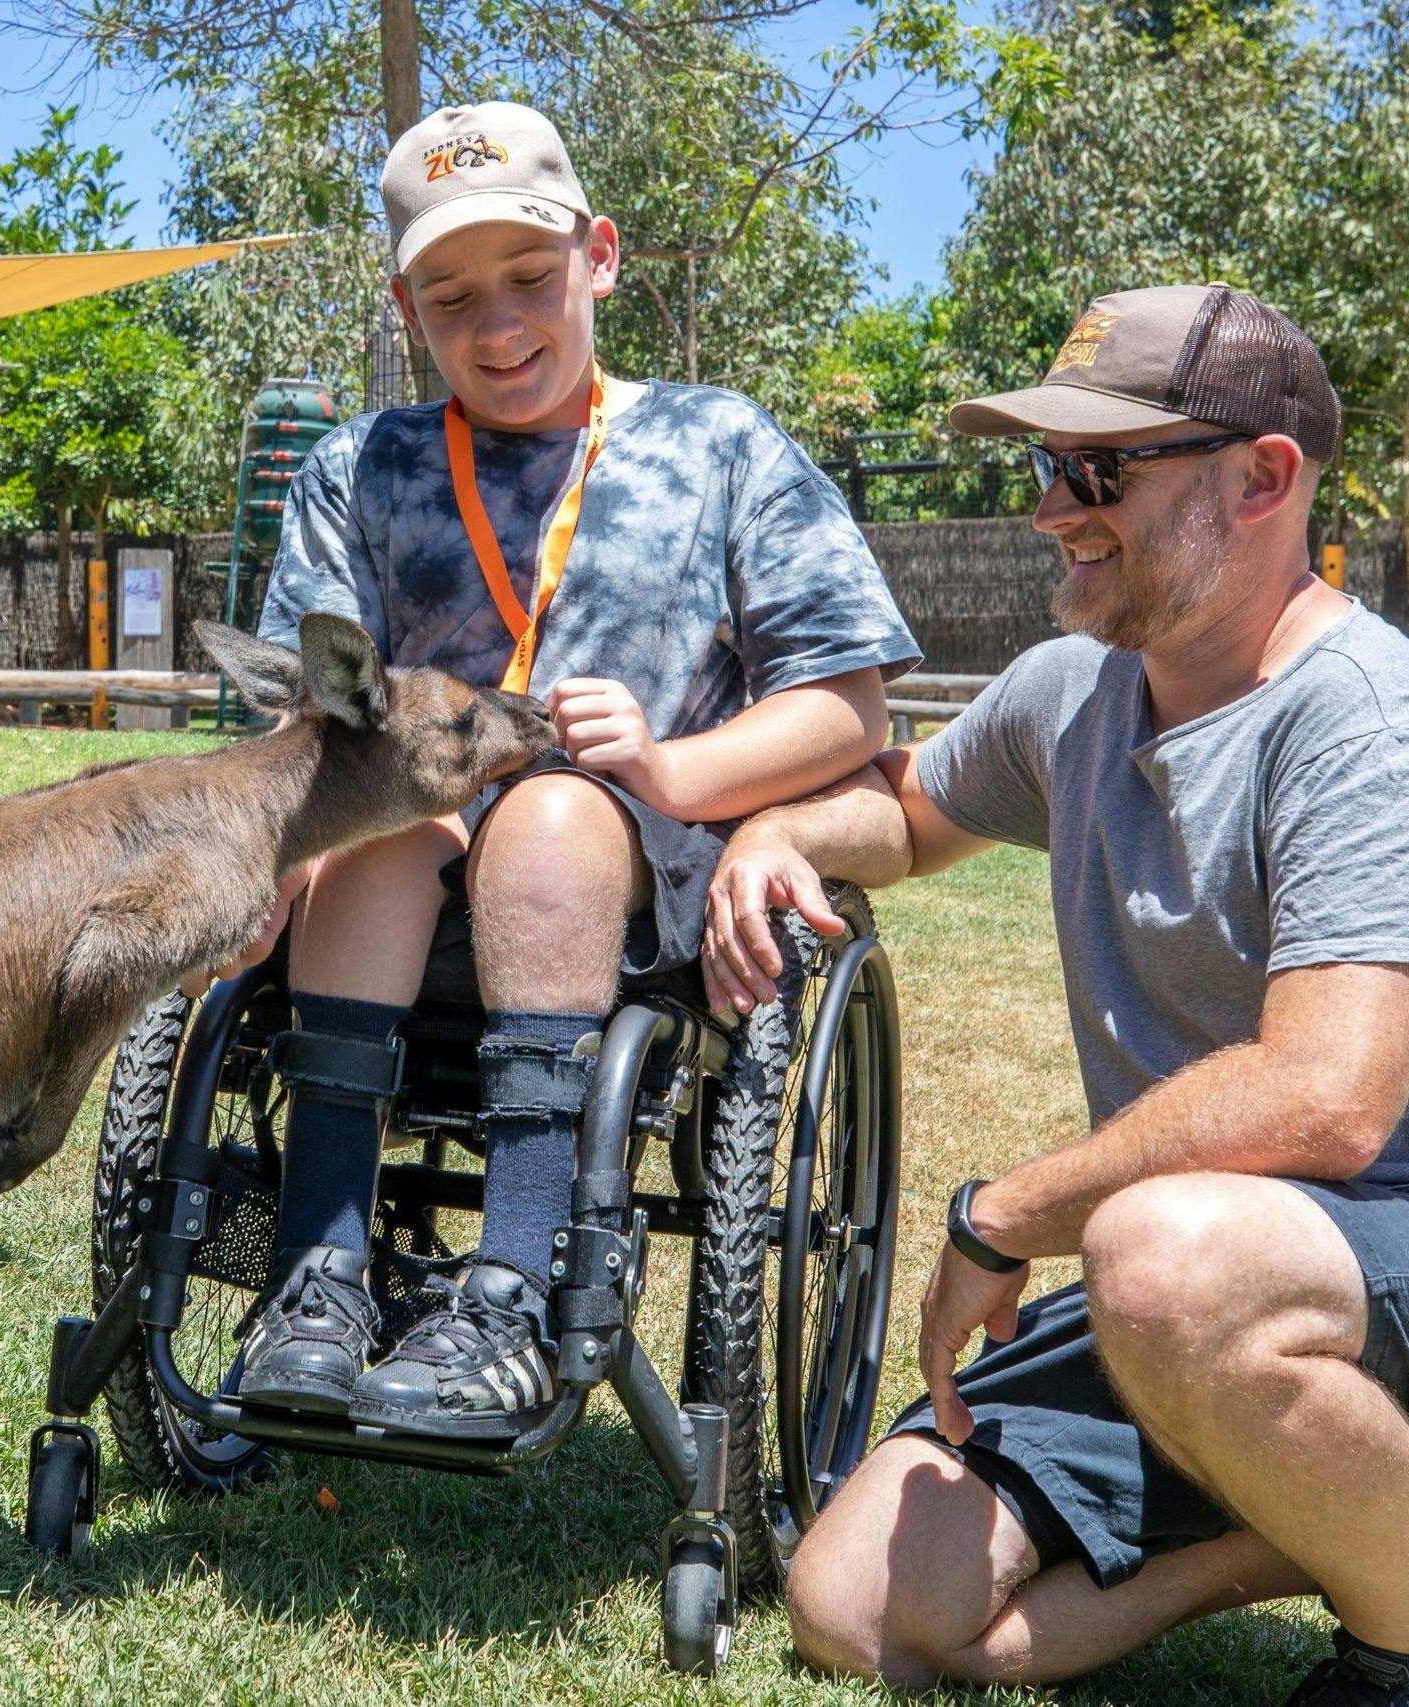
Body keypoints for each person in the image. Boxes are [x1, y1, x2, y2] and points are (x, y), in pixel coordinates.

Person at [706, 286, 1409, 1706]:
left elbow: (1325, 1098)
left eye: (1098, 471)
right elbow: (908, 815)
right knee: (857, 1609)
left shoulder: (1366, 720)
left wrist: (1002, 1212)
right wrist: (782, 833)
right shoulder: (1074, 690)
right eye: (1046, 467)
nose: (1051, 509)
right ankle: (1338, 1523)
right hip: (1224, 1286)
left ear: (1263, 476)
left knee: (1155, 1251)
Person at [235, 101, 919, 1439]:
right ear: (404, 307)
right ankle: (318, 1273)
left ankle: (515, 1278)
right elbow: (299, 721)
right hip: (398, 895)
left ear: (599, 256)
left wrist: (671, 764)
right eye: (451, 298)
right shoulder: (358, 470)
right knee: (379, 823)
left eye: (531, 282)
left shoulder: (720, 447)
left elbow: (850, 703)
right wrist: (268, 859)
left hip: (637, 899)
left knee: (550, 809)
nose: (496, 329)